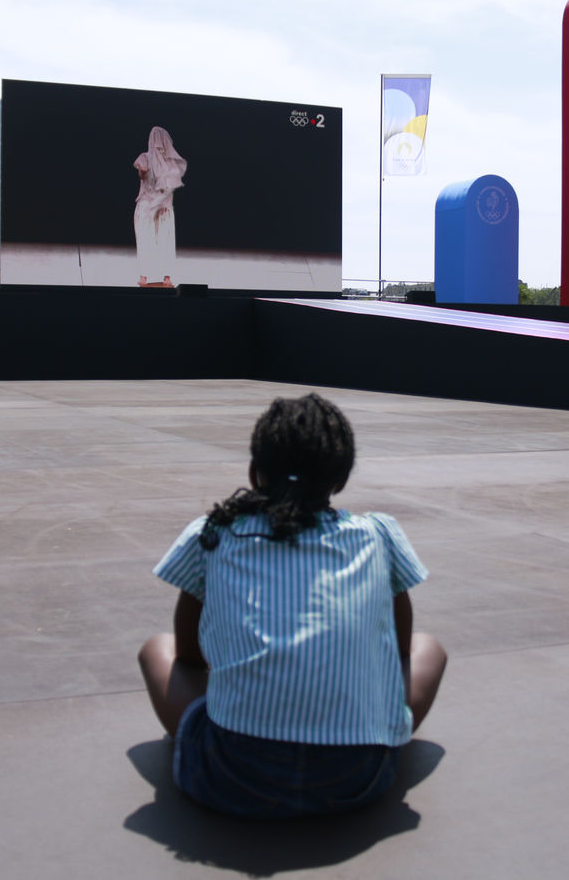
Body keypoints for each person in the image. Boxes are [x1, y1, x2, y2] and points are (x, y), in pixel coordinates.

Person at [138, 393, 447, 818]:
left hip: (229, 778)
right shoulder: (379, 535)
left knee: (158, 648)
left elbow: (190, 657)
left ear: (254, 471)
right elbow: (400, 650)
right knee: (430, 649)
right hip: (358, 778)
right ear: (341, 479)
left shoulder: (214, 532)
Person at [132, 125, 187, 288]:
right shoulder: (148, 158)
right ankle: (150, 275)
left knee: (158, 239)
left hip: (156, 205)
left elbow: (168, 186)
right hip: (153, 205)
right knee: (154, 239)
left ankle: (159, 276)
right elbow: (143, 175)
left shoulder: (165, 162)